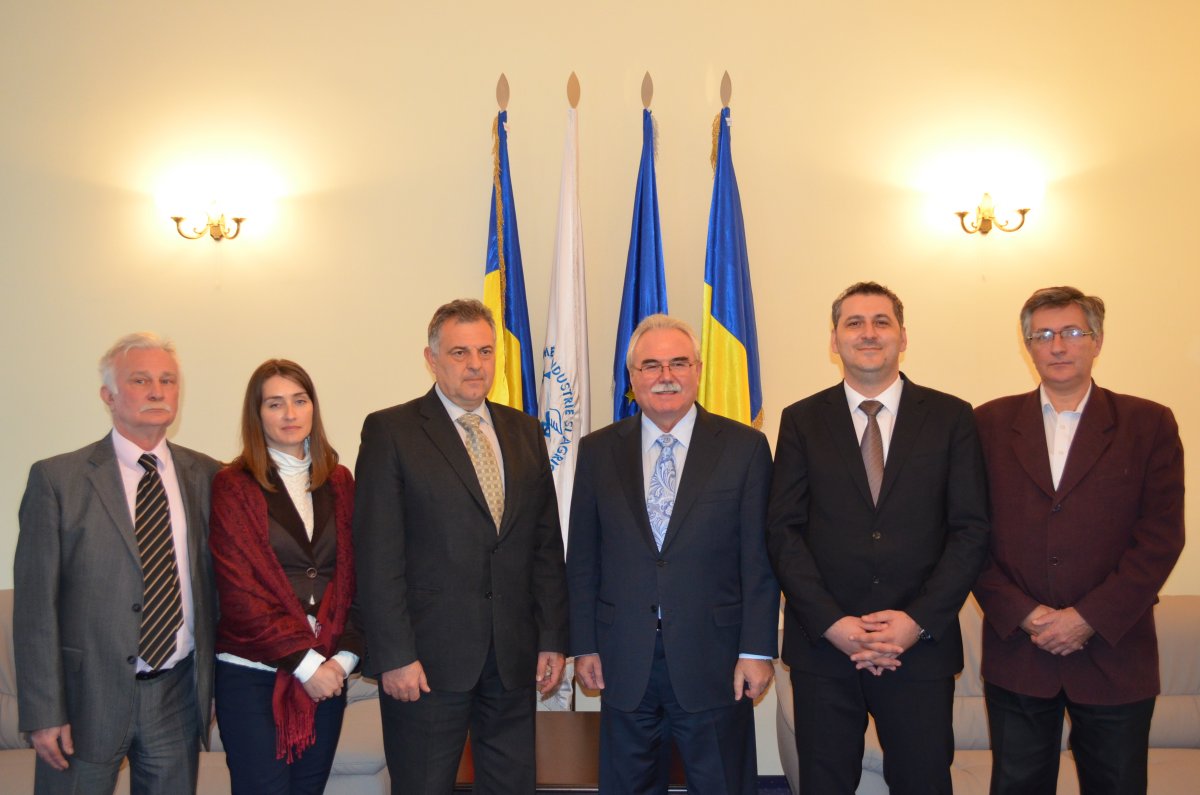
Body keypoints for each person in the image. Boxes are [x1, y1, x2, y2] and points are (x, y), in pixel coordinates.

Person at [766, 281, 990, 794]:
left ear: (903, 336)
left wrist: (916, 622)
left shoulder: (952, 416)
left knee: (923, 782)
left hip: (919, 647)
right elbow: (783, 532)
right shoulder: (801, 420)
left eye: (881, 322)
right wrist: (833, 623)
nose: (868, 333)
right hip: (825, 649)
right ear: (834, 340)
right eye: (854, 323)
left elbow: (971, 530)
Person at [973, 286, 1185, 795]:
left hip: (1116, 649)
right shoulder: (987, 424)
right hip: (1019, 649)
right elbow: (968, 534)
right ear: (1027, 345)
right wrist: (1025, 613)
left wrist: (1088, 617)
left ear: (1098, 340)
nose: (1057, 346)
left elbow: (1160, 537)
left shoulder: (1148, 423)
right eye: (1042, 335)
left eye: (1072, 332)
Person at [353, 298, 569, 794]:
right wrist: (394, 655)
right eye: (459, 352)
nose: (475, 364)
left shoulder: (524, 431)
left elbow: (544, 545)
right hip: (425, 663)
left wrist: (552, 636)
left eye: (485, 351)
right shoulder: (392, 431)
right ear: (431, 359)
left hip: (512, 657)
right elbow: (377, 555)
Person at [567, 314, 779, 793]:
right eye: (651, 365)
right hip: (623, 658)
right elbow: (582, 559)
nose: (666, 376)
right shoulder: (598, 451)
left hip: (716, 659)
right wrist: (584, 644)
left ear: (698, 370)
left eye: (679, 363)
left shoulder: (744, 448)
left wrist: (756, 650)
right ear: (633, 376)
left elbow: (760, 560)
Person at [14, 332, 220, 795]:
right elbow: (34, 608)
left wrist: (212, 688)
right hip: (84, 700)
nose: (157, 391)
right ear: (108, 396)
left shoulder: (209, 476)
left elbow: (221, 588)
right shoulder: (57, 480)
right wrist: (44, 712)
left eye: (167, 380)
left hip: (175, 694)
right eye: (140, 380)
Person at [208, 359, 360, 794]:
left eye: (299, 400)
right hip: (253, 675)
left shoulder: (340, 480)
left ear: (313, 407)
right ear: (256, 415)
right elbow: (240, 593)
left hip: (328, 673)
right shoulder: (233, 485)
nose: (290, 414)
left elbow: (356, 577)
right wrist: (306, 664)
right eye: (275, 404)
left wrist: (343, 661)